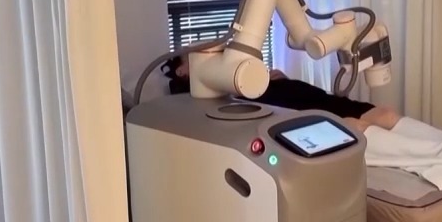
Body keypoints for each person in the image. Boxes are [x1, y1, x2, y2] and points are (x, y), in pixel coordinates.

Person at [164, 55, 401, 132]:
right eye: (194, 55)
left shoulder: (229, 77)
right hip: (300, 113)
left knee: (387, 115)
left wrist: (275, 79)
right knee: (356, 126)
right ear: (181, 70)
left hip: (307, 95)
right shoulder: (200, 99)